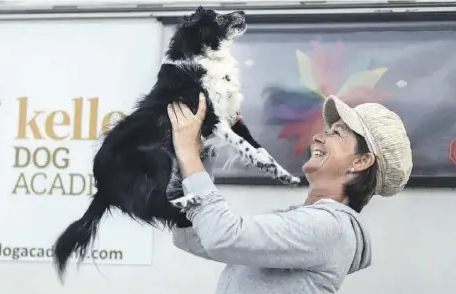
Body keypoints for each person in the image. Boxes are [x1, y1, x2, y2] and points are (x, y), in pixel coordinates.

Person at [166, 94, 413, 294]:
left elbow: (222, 237)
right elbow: (193, 238)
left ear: (361, 161)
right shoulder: (309, 222)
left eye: (336, 133)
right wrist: (202, 151)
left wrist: (187, 150)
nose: (317, 136)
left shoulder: (330, 227)